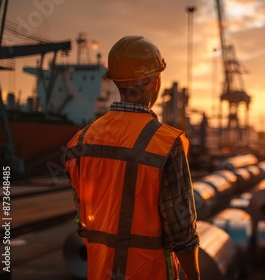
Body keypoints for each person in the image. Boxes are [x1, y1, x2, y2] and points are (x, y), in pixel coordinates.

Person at [65, 35, 200, 280]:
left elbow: (84, 219)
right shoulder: (167, 143)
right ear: (155, 82)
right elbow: (181, 232)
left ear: (115, 81)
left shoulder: (80, 143)